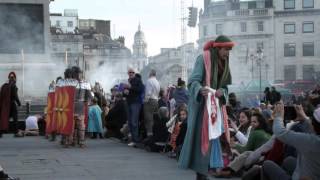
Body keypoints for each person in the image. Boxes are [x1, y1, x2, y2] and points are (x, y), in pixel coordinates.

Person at [178, 35, 235, 180]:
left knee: (215, 139)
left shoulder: (225, 62)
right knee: (201, 141)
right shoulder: (203, 58)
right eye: (225, 49)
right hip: (202, 107)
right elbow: (193, 81)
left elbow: (225, 86)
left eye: (229, 50)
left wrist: (223, 92)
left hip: (216, 106)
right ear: (218, 48)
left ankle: (207, 170)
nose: (227, 53)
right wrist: (200, 89)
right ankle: (201, 173)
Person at [262, 102, 320, 180]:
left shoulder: (312, 141)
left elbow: (280, 132)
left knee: (266, 164)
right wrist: (305, 118)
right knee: (288, 161)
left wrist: (279, 116)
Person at [123, 68, 144, 147]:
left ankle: (136, 140)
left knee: (134, 121)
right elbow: (124, 93)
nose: (131, 73)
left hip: (135, 103)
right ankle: (133, 139)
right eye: (129, 72)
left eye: (132, 72)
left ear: (134, 73)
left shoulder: (138, 80)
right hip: (129, 102)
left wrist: (130, 87)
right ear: (128, 73)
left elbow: (141, 89)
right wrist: (124, 92)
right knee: (130, 122)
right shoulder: (127, 81)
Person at [0, 72, 21, 137]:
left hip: (6, 105)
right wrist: (19, 104)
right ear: (14, 78)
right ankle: (16, 132)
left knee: (4, 118)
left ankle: (0, 132)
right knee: (15, 119)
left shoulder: (5, 85)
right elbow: (15, 96)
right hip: (12, 104)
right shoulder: (13, 85)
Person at [143, 69, 160, 138]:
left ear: (150, 74)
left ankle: (149, 136)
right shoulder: (157, 82)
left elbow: (148, 93)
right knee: (154, 118)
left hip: (150, 101)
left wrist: (145, 100)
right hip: (156, 100)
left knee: (148, 119)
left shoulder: (149, 81)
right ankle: (155, 135)